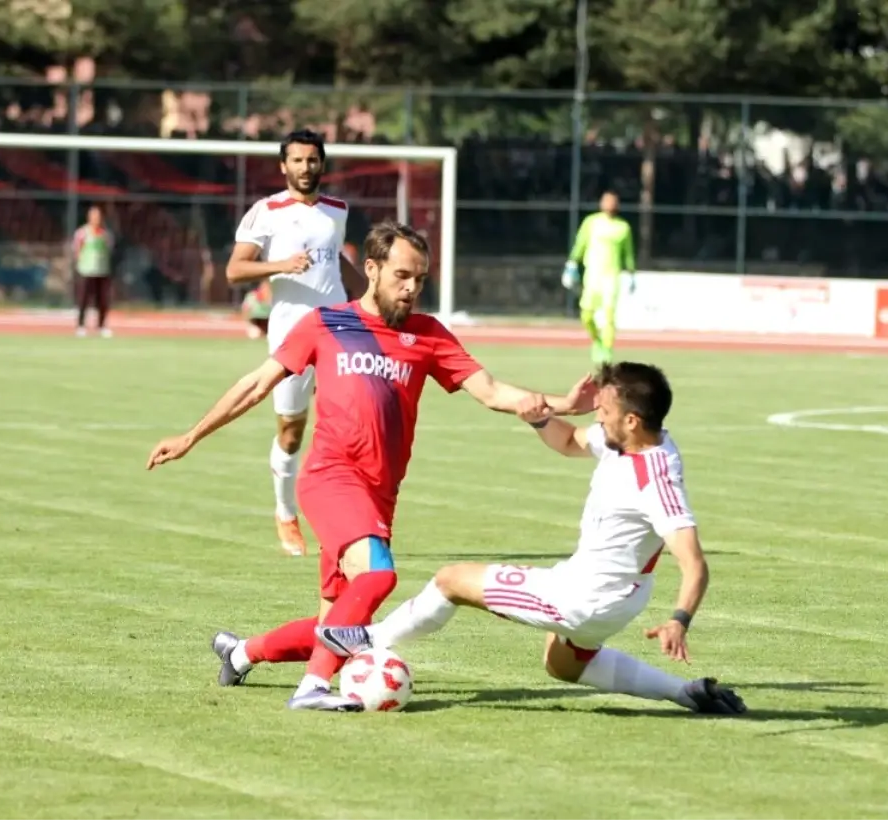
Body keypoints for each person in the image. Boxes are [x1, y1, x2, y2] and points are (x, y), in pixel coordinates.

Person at [146, 220, 594, 712]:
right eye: (402, 275)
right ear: (372, 269)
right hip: (330, 478)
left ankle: (242, 652)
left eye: (420, 279)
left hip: (381, 493)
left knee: (333, 628)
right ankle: (311, 690)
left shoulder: (428, 335)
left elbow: (490, 391)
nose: (412, 288)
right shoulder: (326, 323)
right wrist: (191, 435)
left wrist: (563, 405)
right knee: (379, 577)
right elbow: (257, 383)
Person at [316, 361, 747, 716]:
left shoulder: (655, 478)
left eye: (605, 410)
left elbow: (694, 564)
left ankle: (370, 639)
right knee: (563, 664)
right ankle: (686, 693)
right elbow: (569, 440)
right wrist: (540, 417)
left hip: (586, 597)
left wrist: (679, 620)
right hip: (604, 591)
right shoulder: (624, 441)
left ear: (632, 421)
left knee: (451, 580)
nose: (597, 415)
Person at [225, 129, 369, 558]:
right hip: (291, 333)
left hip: (339, 331)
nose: (306, 168)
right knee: (290, 432)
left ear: (322, 163)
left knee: (353, 424)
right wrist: (282, 265)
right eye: (298, 160)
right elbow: (235, 270)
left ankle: (347, 518)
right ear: (283, 166)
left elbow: (336, 264)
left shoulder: (337, 211)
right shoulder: (266, 211)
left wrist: (370, 296)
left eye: (313, 160)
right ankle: (285, 512)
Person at [561, 192, 636, 366]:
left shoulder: (623, 227)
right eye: (606, 200)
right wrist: (572, 263)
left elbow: (629, 253)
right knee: (586, 314)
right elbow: (580, 243)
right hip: (593, 276)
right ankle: (596, 341)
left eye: (612, 201)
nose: (609, 204)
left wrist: (631, 273)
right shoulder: (591, 222)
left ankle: (607, 351)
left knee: (609, 317)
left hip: (612, 277)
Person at [72, 204, 116, 337]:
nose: (96, 218)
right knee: (83, 299)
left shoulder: (105, 234)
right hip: (86, 271)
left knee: (102, 300)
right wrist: (80, 263)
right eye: (93, 215)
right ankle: (80, 326)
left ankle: (102, 326)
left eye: (98, 216)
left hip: (102, 271)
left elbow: (109, 249)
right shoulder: (82, 233)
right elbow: (77, 250)